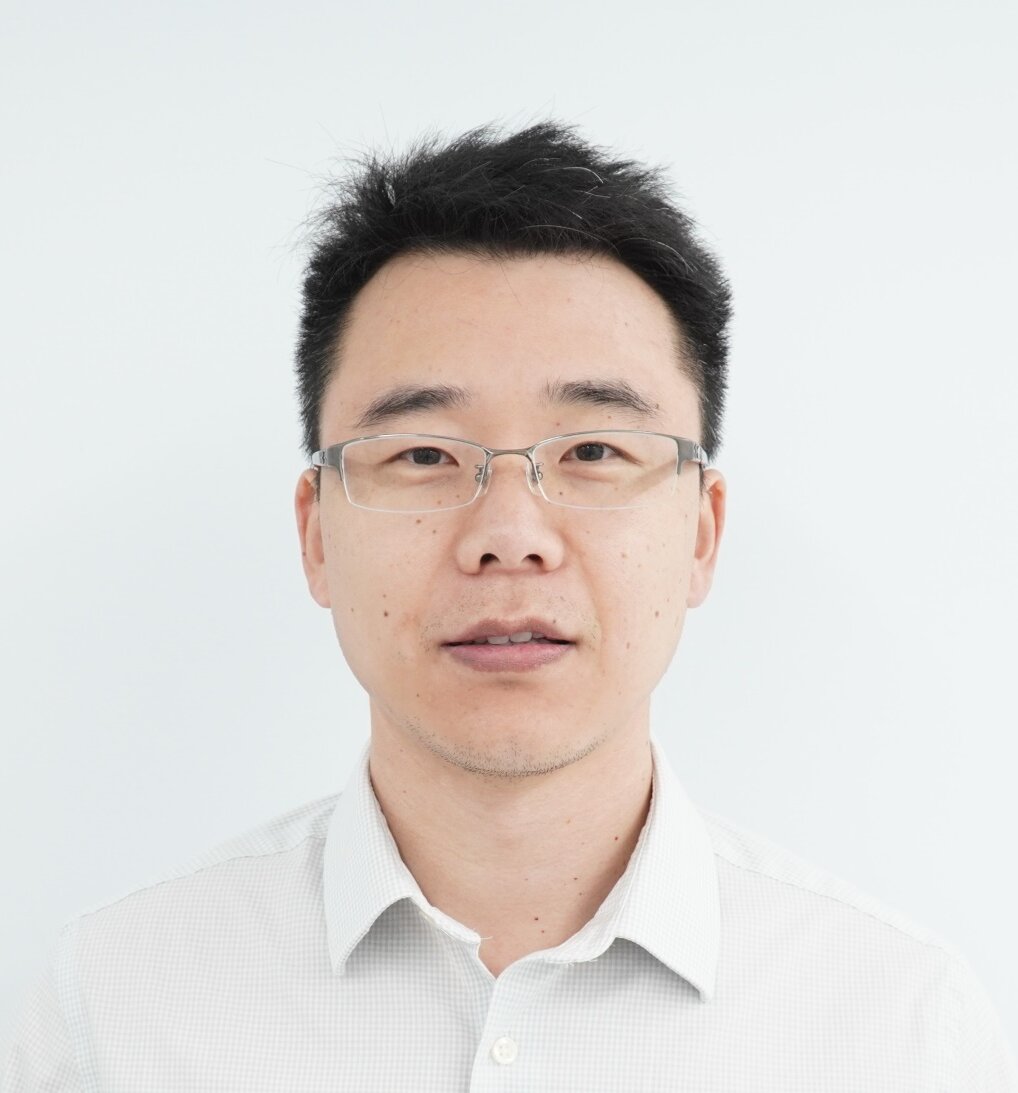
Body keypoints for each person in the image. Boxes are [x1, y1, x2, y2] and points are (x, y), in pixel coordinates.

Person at [4, 120, 1016, 1092]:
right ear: (315, 533)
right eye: (423, 455)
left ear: (701, 531)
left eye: (592, 451)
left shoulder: (898, 1029)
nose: (509, 532)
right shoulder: (114, 1010)